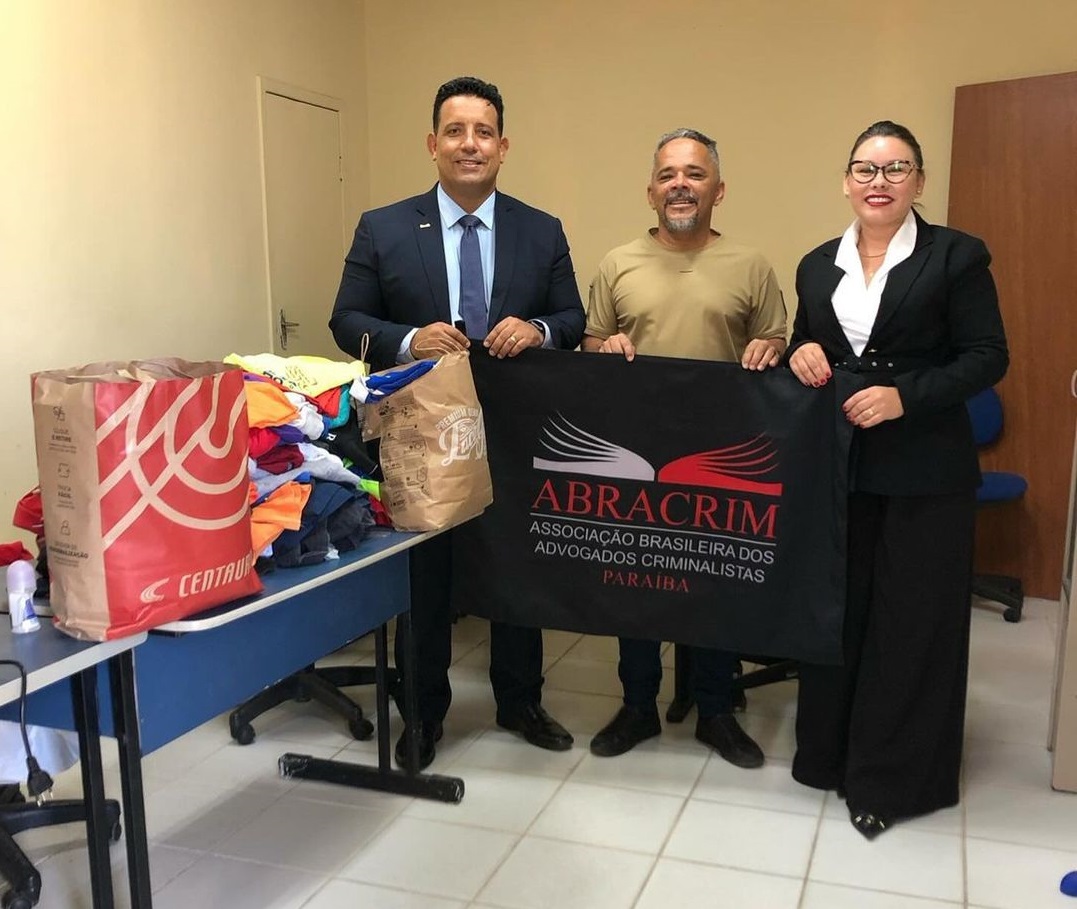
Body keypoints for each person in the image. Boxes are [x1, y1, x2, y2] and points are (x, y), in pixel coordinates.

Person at [330, 76, 586, 769]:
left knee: (516, 568)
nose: (469, 144)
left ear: (502, 146)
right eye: (455, 131)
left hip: (515, 430)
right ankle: (422, 714)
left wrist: (538, 329)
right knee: (426, 578)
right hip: (422, 434)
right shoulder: (384, 227)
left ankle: (520, 701)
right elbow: (346, 319)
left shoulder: (541, 229)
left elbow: (572, 317)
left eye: (483, 132)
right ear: (432, 143)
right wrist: (409, 339)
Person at [787, 120, 1008, 839]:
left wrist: (904, 396)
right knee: (841, 611)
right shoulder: (817, 264)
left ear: (918, 181)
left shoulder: (956, 255)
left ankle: (894, 779)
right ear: (845, 181)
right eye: (865, 168)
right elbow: (807, 341)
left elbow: (987, 356)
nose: (877, 181)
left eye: (895, 168)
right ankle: (828, 757)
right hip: (840, 464)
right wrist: (800, 352)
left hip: (924, 466)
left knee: (911, 622)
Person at [582, 128, 787, 767]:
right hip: (636, 455)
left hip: (721, 455)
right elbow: (590, 343)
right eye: (668, 174)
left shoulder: (752, 266)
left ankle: (716, 711)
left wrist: (770, 348)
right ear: (650, 191)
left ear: (718, 191)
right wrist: (604, 347)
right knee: (636, 582)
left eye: (695, 174)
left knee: (716, 584)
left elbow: (777, 340)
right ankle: (637, 707)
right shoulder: (617, 263)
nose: (680, 184)